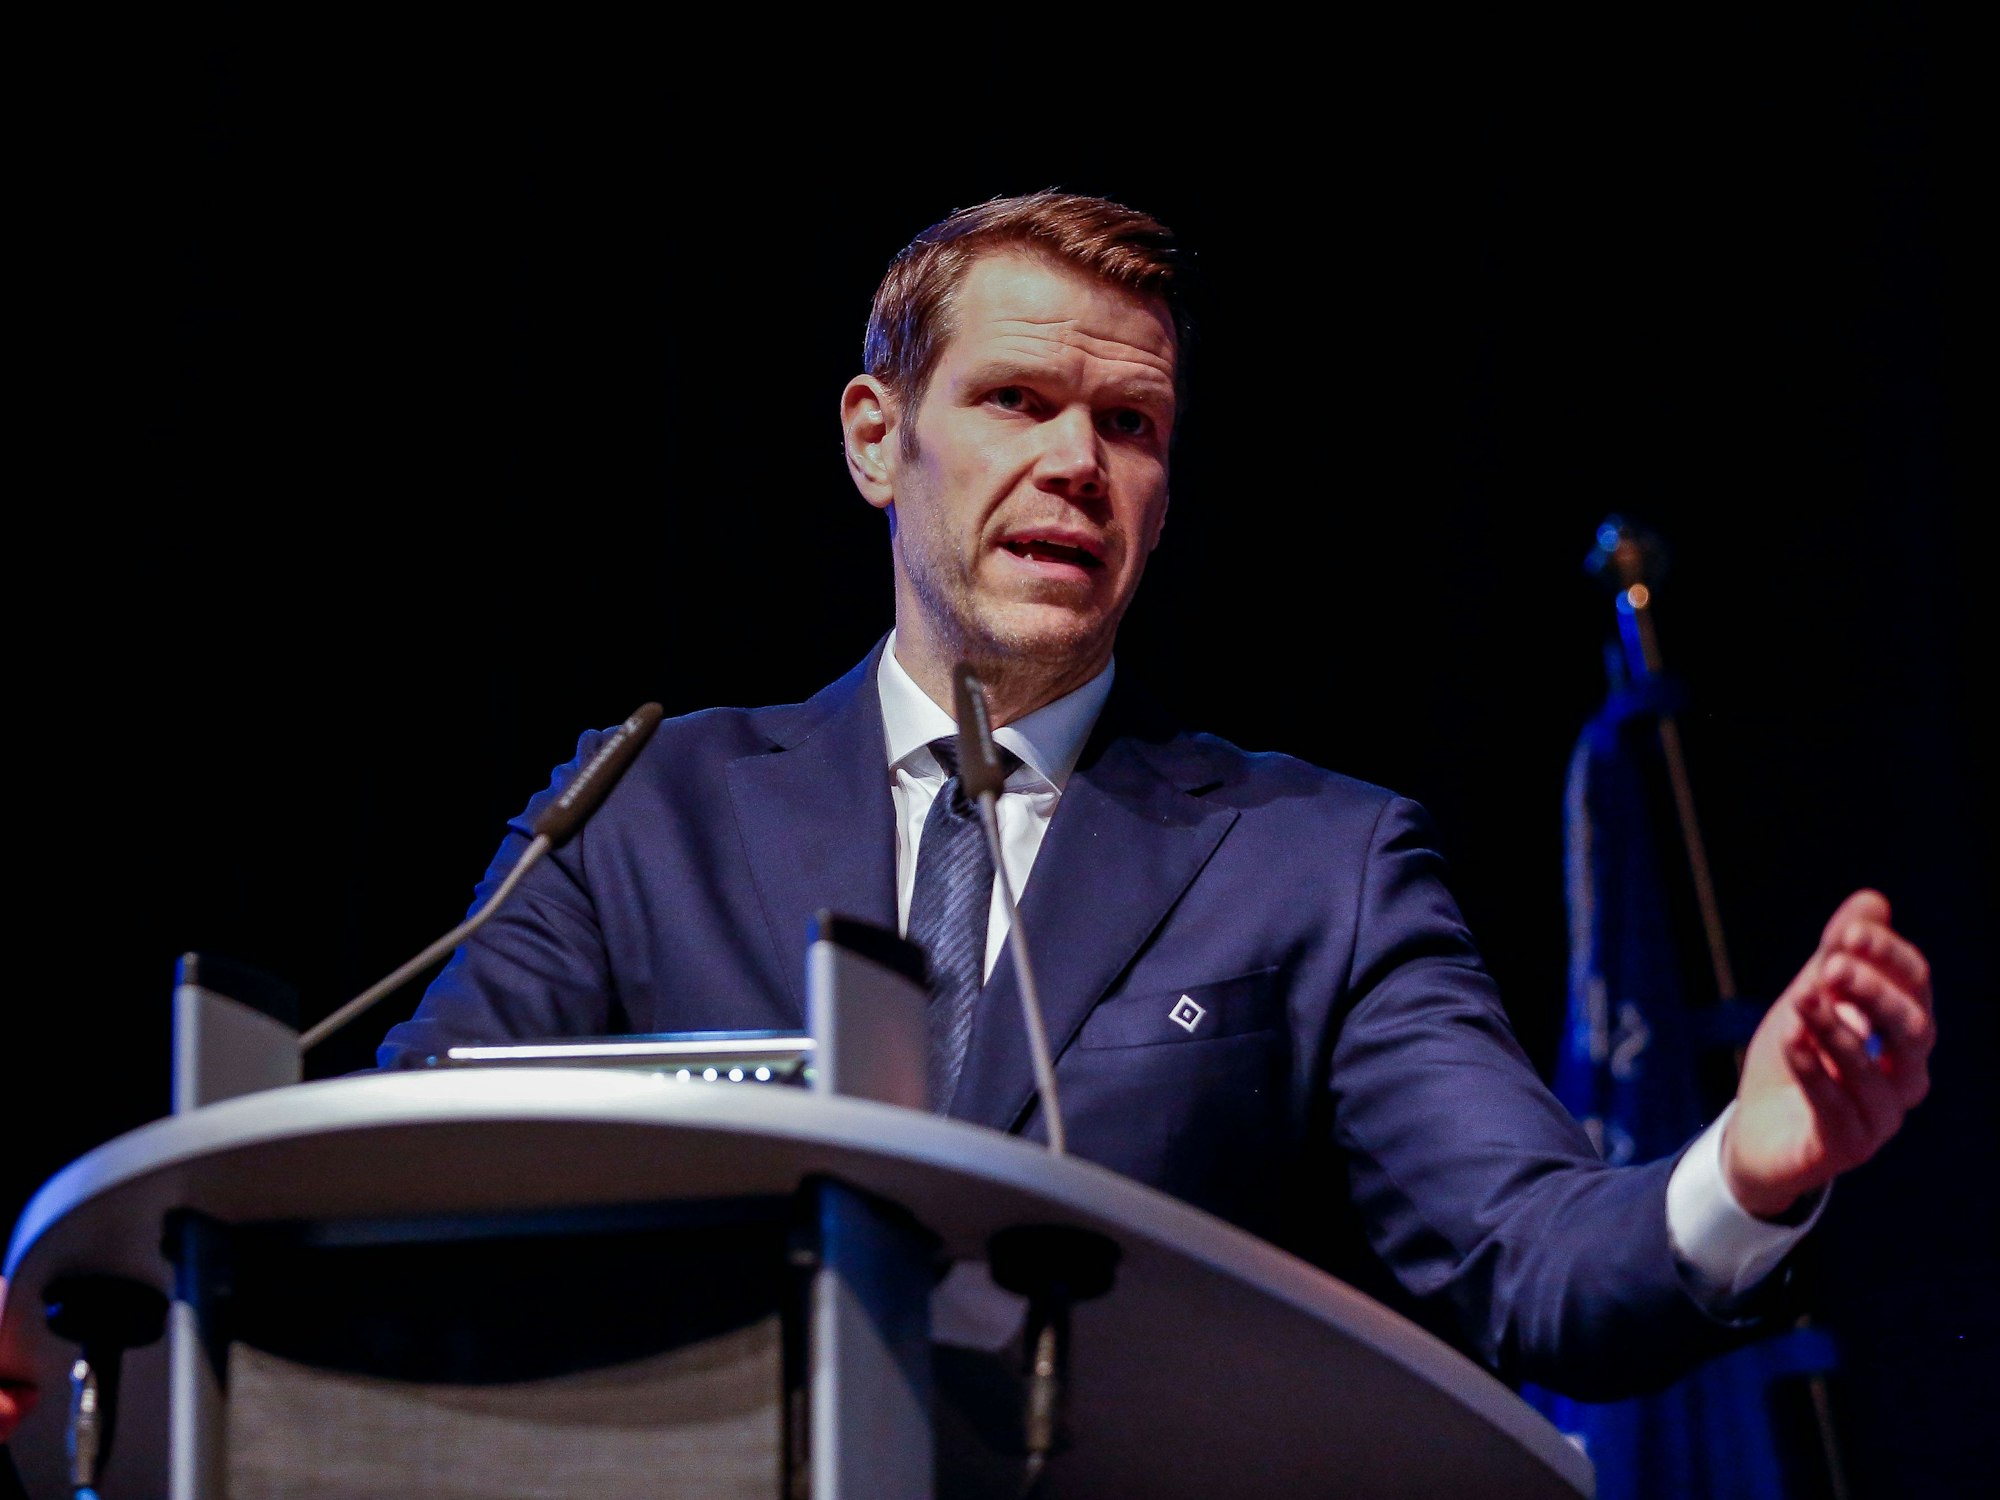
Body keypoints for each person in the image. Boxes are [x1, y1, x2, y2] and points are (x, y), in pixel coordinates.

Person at [0, 191, 1934, 1441]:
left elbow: (1533, 1257)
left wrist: (1748, 1170)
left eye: (1133, 427)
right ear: (879, 440)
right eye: (1017, 402)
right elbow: (400, 1172)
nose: (1078, 463)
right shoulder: (645, 810)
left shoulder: (1319, 867)